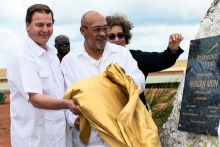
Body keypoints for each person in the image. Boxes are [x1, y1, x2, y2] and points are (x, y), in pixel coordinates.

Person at [61, 10, 156, 147]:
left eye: (105, 28)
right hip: (89, 141)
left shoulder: (121, 53)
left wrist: (124, 81)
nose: (102, 33)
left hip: (124, 137)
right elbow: (66, 100)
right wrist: (74, 120)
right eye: (96, 29)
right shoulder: (70, 61)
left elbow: (140, 80)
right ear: (83, 31)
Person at [6, 4, 79, 147]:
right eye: (39, 25)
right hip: (35, 139)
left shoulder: (51, 56)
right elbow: (36, 99)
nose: (45, 30)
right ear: (27, 25)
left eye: (49, 25)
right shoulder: (23, 57)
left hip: (59, 137)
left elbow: (60, 93)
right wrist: (69, 104)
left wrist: (72, 118)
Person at [105, 12, 184, 106]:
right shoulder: (99, 60)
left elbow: (163, 60)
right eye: (111, 36)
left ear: (126, 36)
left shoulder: (136, 57)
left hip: (137, 114)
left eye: (120, 35)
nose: (117, 39)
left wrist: (172, 49)